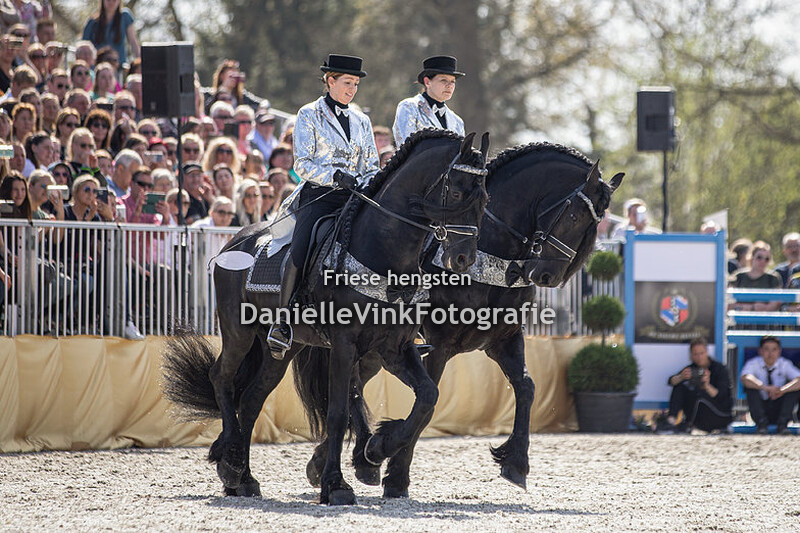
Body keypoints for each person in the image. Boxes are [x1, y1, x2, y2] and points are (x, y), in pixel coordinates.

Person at [266, 53, 379, 358]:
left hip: (354, 197)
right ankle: (283, 321)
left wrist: (365, 181)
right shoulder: (308, 114)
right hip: (320, 196)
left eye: (355, 84)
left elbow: (372, 164)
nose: (352, 89)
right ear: (330, 81)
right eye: (347, 83)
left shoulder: (362, 120)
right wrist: (334, 176)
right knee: (302, 247)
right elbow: (301, 163)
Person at [660, 337, 732, 433]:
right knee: (679, 386)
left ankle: (688, 424)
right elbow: (671, 381)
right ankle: (671, 421)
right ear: (691, 355)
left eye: (702, 353)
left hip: (718, 414)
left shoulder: (719, 369)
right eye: (695, 354)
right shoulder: (691, 369)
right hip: (698, 416)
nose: (699, 357)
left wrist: (707, 386)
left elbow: (722, 395)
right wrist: (681, 377)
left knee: (699, 395)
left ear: (707, 352)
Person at [392, 55, 465, 147]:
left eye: (452, 81)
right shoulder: (409, 107)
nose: (449, 86)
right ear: (427, 82)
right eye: (443, 80)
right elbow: (405, 146)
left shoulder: (457, 121)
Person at [740, 335, 800, 434]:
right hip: (761, 407)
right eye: (766, 349)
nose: (770, 353)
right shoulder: (753, 363)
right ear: (760, 351)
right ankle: (761, 425)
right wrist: (765, 388)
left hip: (780, 407)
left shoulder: (785, 364)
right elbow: (745, 378)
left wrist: (782, 390)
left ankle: (783, 425)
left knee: (793, 390)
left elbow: (798, 380)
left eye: (774, 349)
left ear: (779, 351)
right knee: (751, 389)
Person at [82, 0, 140, 66]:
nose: (111, 3)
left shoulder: (125, 16)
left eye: (114, 0)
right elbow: (84, 46)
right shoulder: (92, 22)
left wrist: (139, 61)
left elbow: (133, 42)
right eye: (108, 0)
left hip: (119, 65)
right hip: (98, 67)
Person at [729, 241, 781, 311]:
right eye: (759, 257)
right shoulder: (738, 276)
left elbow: (774, 305)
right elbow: (729, 302)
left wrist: (745, 307)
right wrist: (752, 307)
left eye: (767, 259)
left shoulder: (773, 278)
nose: (763, 261)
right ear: (751, 257)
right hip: (740, 316)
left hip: (764, 317)